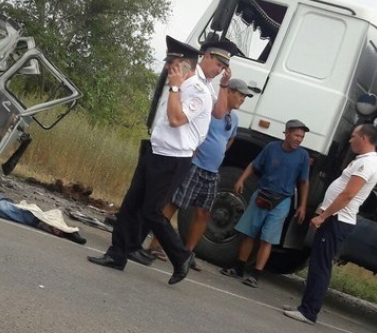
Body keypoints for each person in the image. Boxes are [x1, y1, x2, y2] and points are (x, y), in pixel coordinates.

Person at [87, 36, 213, 285]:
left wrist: (176, 88)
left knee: (153, 212)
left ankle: (181, 257)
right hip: (155, 151)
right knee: (131, 205)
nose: (168, 68)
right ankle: (117, 254)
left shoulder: (198, 91)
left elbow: (177, 119)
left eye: (173, 64)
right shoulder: (175, 86)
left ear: (185, 66)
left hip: (174, 159)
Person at [138, 40, 241, 265]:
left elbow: (219, 113)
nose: (219, 70)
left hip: (195, 162)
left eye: (224, 68)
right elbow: (175, 117)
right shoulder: (192, 79)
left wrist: (223, 85)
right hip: (176, 152)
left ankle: (182, 254)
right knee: (165, 204)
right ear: (206, 56)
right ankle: (150, 247)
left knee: (197, 211)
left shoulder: (210, 87)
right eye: (218, 64)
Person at [284, 123, 377, 325]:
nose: (350, 139)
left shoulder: (367, 164)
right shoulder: (363, 160)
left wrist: (323, 216)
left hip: (337, 220)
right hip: (334, 218)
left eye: (353, 136)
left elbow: (348, 194)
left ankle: (309, 311)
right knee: (318, 263)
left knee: (320, 266)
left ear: (364, 138)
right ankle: (305, 306)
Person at [168, 78, 253, 271]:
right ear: (228, 92)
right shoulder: (212, 111)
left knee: (204, 214)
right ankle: (154, 247)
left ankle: (187, 253)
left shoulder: (234, 119)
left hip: (212, 172)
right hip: (195, 166)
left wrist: (219, 153)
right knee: (174, 204)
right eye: (240, 94)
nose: (242, 99)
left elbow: (228, 141)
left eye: (245, 96)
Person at [220, 119, 311, 288]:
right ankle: (238, 268)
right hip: (261, 194)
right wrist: (241, 180)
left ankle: (255, 275)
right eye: (297, 135)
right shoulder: (272, 148)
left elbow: (304, 182)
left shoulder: (303, 156)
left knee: (267, 239)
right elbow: (253, 165)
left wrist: (302, 206)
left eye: (302, 137)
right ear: (287, 133)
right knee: (248, 234)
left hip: (282, 201)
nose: (299, 139)